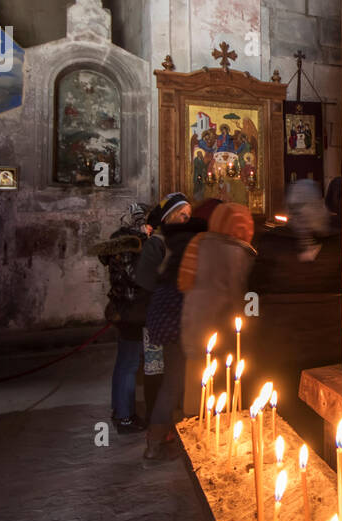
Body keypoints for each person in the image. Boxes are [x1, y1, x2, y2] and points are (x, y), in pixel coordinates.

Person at [139, 192, 213, 459]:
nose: (186, 218)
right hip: (172, 319)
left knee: (178, 380)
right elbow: (146, 280)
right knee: (174, 380)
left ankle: (165, 434)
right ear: (170, 215)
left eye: (189, 215)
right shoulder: (161, 243)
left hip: (172, 318)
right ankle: (161, 437)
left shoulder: (181, 241)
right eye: (182, 214)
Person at [177, 201, 256, 418]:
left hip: (194, 327)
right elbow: (244, 298)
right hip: (226, 334)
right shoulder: (241, 253)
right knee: (227, 391)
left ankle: (191, 437)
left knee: (196, 390)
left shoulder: (198, 243)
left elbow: (185, 284)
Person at [93, 202, 153, 434]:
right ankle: (125, 417)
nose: (150, 228)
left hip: (126, 309)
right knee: (128, 364)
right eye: (147, 223)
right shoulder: (131, 244)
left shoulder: (121, 241)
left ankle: (121, 410)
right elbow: (136, 276)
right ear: (138, 222)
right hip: (132, 311)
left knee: (125, 363)